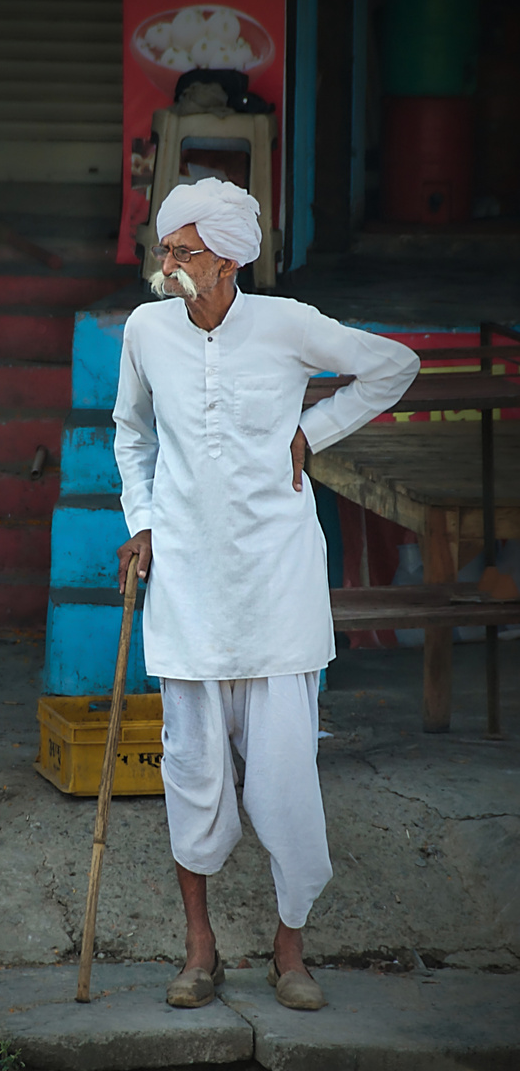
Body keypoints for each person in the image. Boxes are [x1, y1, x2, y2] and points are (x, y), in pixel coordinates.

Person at [112, 178, 419, 1011]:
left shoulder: (285, 323)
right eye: (163, 248)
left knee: (283, 778)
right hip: (186, 581)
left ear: (227, 259)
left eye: (182, 251)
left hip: (277, 583)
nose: (165, 263)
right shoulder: (145, 329)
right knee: (192, 773)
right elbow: (131, 434)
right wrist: (140, 519)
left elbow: (393, 364)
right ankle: (199, 949)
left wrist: (309, 433)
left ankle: (290, 952)